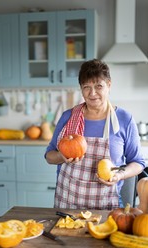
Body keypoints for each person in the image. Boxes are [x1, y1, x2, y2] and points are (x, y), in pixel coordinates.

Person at [45, 59, 145, 210]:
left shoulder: (124, 119)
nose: (92, 93)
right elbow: (49, 156)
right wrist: (61, 157)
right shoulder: (68, 117)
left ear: (108, 85)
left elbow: (138, 162)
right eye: (86, 87)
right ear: (81, 89)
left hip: (106, 207)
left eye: (99, 86)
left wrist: (119, 175)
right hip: (67, 206)